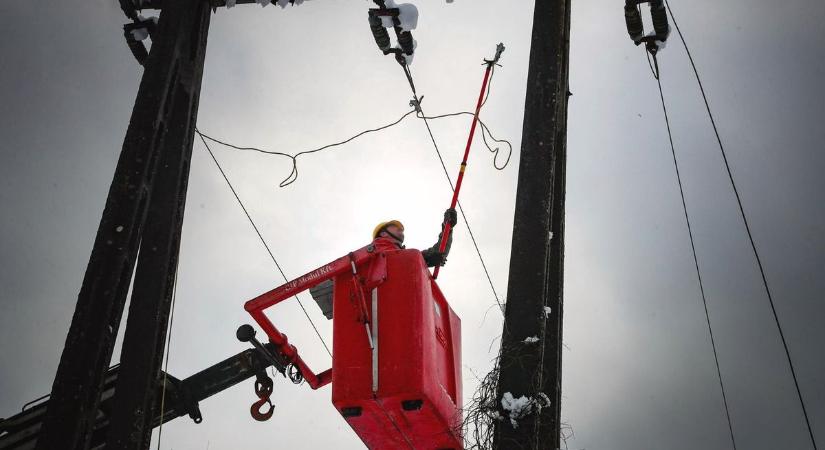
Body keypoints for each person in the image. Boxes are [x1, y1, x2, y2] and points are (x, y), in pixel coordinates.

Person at [372, 208, 458, 267]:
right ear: (383, 234)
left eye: (401, 229)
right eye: (393, 226)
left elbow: (439, 251)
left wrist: (447, 227)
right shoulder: (373, 253)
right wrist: (425, 259)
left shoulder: (408, 255)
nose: (400, 229)